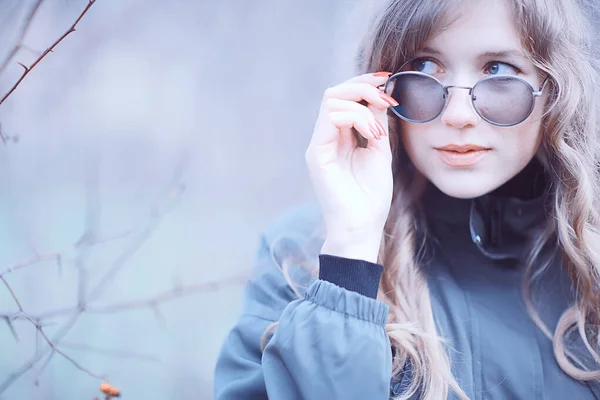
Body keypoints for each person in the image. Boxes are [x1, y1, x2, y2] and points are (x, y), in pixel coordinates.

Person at [213, 0, 600, 398]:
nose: (458, 114)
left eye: (497, 69)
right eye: (425, 68)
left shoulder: (591, 268)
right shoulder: (300, 259)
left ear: (557, 91)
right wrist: (350, 261)